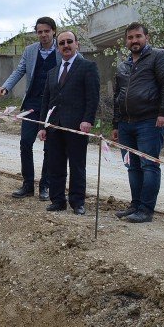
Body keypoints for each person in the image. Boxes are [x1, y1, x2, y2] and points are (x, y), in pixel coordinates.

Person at [111, 22, 164, 223]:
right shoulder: (123, 65)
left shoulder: (159, 56)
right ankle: (135, 205)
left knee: (149, 165)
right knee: (132, 166)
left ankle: (146, 210)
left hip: (149, 122)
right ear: (126, 41)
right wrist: (116, 124)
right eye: (130, 38)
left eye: (138, 36)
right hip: (126, 124)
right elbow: (118, 96)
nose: (134, 41)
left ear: (146, 37)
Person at [0, 17, 59, 201]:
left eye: (47, 31)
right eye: (40, 32)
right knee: (25, 143)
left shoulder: (62, 49)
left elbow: (78, 64)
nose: (43, 35)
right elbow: (19, 71)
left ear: (53, 31)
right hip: (32, 104)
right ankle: (28, 184)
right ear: (36, 33)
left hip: (53, 107)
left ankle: (45, 186)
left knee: (50, 147)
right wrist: (5, 87)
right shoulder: (30, 51)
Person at [37, 31, 100, 216]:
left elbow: (92, 97)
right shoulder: (52, 72)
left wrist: (88, 119)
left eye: (69, 42)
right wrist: (42, 126)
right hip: (54, 127)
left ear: (77, 44)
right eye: (62, 43)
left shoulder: (88, 67)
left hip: (77, 127)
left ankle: (77, 202)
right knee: (55, 165)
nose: (66, 45)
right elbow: (46, 101)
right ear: (58, 48)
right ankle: (57, 200)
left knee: (77, 166)